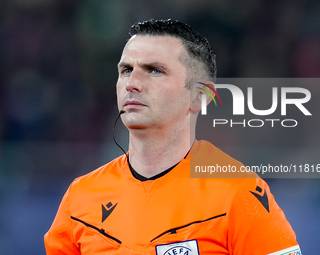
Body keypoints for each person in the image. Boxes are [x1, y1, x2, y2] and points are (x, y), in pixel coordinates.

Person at [44, 19, 301, 255]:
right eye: (125, 70)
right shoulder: (80, 197)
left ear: (200, 96)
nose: (132, 83)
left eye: (154, 70)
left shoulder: (238, 192)